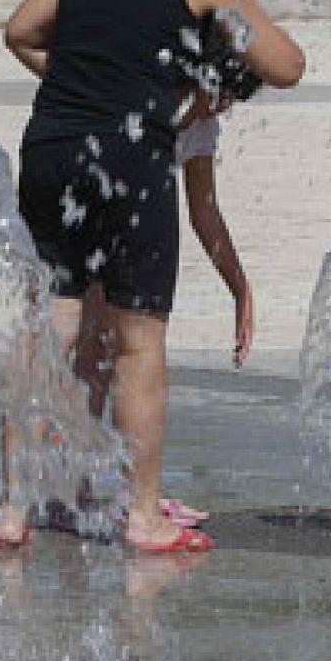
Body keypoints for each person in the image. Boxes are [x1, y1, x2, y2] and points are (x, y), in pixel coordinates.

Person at [0, 0, 304, 554]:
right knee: (138, 343)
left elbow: (20, 31)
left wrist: (86, 83)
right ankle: (141, 516)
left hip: (48, 147)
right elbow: (285, 65)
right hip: (130, 161)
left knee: (50, 325)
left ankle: (14, 509)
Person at [64, 114, 254, 530]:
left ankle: (132, 493)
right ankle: (78, 491)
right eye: (216, 94)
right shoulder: (142, 93)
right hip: (94, 203)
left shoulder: (202, 122)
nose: (217, 106)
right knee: (95, 348)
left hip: (140, 223)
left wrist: (239, 288)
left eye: (224, 101)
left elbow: (203, 209)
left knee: (120, 351)